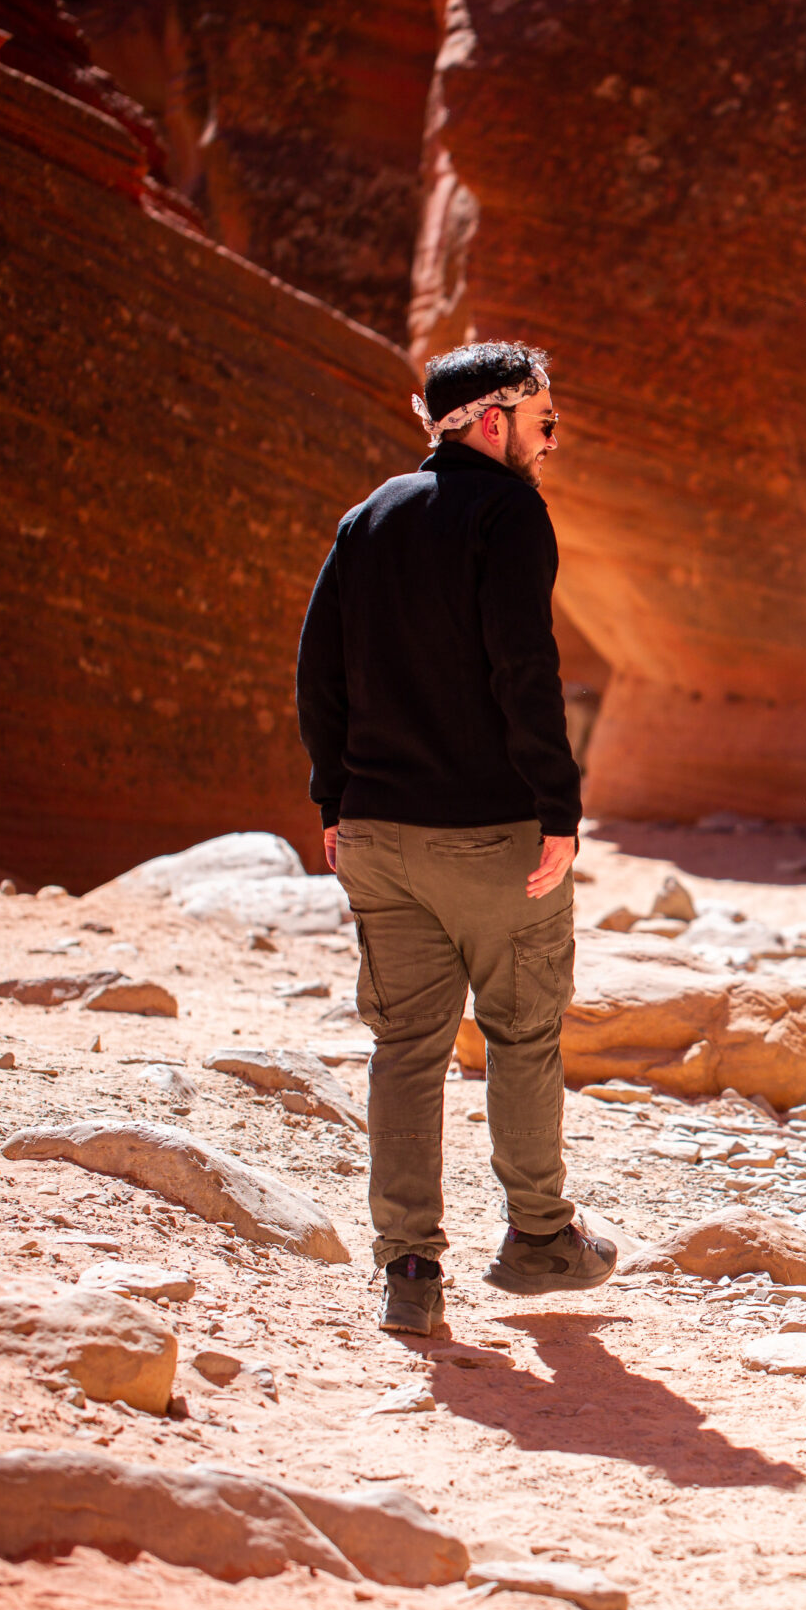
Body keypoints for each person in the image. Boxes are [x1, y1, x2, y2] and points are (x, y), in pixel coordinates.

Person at [296, 339, 616, 1337]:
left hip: (380, 836)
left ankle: (409, 1270)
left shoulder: (365, 519)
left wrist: (334, 803)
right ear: (492, 421)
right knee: (522, 1036)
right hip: (491, 836)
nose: (551, 441)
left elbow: (320, 676)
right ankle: (538, 1241)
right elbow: (525, 668)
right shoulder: (507, 512)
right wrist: (558, 810)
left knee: (405, 1046)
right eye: (544, 421)